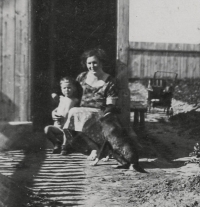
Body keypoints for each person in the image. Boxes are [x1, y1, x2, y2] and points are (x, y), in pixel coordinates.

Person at [60, 48, 118, 159]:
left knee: (77, 113)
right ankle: (88, 147)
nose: (92, 66)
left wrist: (105, 116)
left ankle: (95, 149)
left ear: (101, 62)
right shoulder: (82, 77)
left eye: (95, 62)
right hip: (79, 111)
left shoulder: (110, 81)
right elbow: (72, 95)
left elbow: (111, 104)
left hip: (100, 112)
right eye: (89, 63)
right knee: (73, 112)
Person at [44, 76, 80, 154]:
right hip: (58, 127)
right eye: (64, 88)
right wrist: (54, 113)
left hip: (68, 129)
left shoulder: (75, 100)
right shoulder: (61, 99)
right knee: (47, 129)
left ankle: (65, 146)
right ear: (61, 89)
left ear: (74, 88)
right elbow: (57, 108)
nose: (67, 90)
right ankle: (56, 144)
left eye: (69, 88)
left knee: (66, 129)